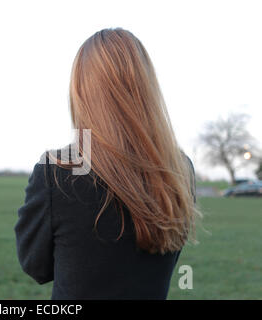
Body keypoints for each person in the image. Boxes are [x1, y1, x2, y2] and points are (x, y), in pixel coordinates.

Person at [15, 28, 200, 300]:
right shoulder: (179, 168)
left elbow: (36, 265)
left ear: (82, 92)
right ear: (147, 87)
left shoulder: (57, 171)